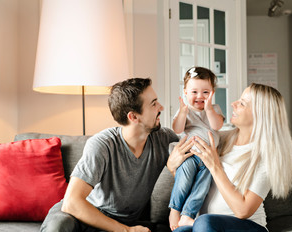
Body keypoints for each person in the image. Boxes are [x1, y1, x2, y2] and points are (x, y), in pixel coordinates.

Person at [40, 78, 192, 232]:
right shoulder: (102, 144)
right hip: (78, 217)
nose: (162, 107)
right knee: (58, 226)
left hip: (117, 225)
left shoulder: (163, 139)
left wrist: (173, 169)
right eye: (153, 104)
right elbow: (72, 203)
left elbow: (195, 156)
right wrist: (126, 230)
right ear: (133, 117)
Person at [171, 83, 292, 232]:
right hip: (206, 226)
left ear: (259, 114)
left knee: (204, 222)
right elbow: (193, 180)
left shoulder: (267, 155)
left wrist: (215, 166)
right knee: (181, 231)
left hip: (247, 226)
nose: (233, 104)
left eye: (242, 103)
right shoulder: (220, 140)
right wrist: (172, 165)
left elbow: (243, 211)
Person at [168, 67, 225, 230]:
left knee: (202, 187)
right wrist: (182, 113)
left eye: (205, 92)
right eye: (194, 92)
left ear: (212, 93)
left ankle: (187, 215)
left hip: (208, 159)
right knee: (183, 181)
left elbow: (217, 125)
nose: (200, 96)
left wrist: (208, 109)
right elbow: (177, 129)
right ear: (185, 92)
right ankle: (174, 210)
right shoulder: (185, 111)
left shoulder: (215, 110)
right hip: (189, 155)